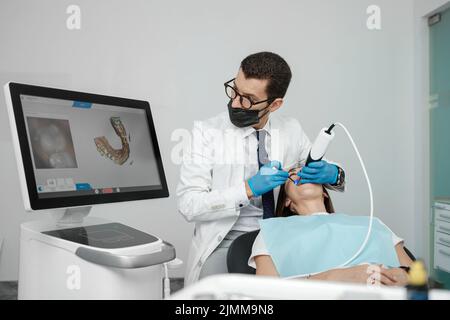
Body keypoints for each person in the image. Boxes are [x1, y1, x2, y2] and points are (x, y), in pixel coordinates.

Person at [177, 52, 347, 286]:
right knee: (215, 292)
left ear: (274, 104)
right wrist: (246, 189)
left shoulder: (291, 130)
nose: (235, 103)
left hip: (284, 236)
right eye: (234, 90)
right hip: (225, 240)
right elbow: (188, 204)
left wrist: (334, 173)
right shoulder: (207, 132)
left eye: (247, 98)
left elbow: (319, 166)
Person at [249, 166, 413, 286]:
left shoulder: (373, 224)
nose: (303, 175)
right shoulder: (272, 232)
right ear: (287, 202)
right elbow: (264, 295)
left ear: (325, 192)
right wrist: (337, 277)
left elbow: (418, 278)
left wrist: (407, 277)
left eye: (310, 174)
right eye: (295, 174)